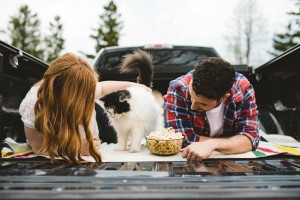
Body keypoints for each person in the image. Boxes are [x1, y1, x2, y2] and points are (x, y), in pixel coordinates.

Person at [19, 53, 149, 164]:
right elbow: (38, 147)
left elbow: (103, 88)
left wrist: (135, 87)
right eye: (86, 95)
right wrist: (78, 147)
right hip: (64, 138)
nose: (90, 96)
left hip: (88, 127)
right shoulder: (32, 104)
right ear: (66, 94)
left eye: (90, 92)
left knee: (116, 136)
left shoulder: (80, 91)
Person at [164, 57, 259, 161]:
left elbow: (250, 138)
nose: (193, 106)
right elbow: (183, 139)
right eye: (191, 97)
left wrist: (212, 144)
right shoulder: (178, 88)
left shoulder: (243, 89)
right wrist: (235, 142)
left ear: (224, 97)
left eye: (202, 104)